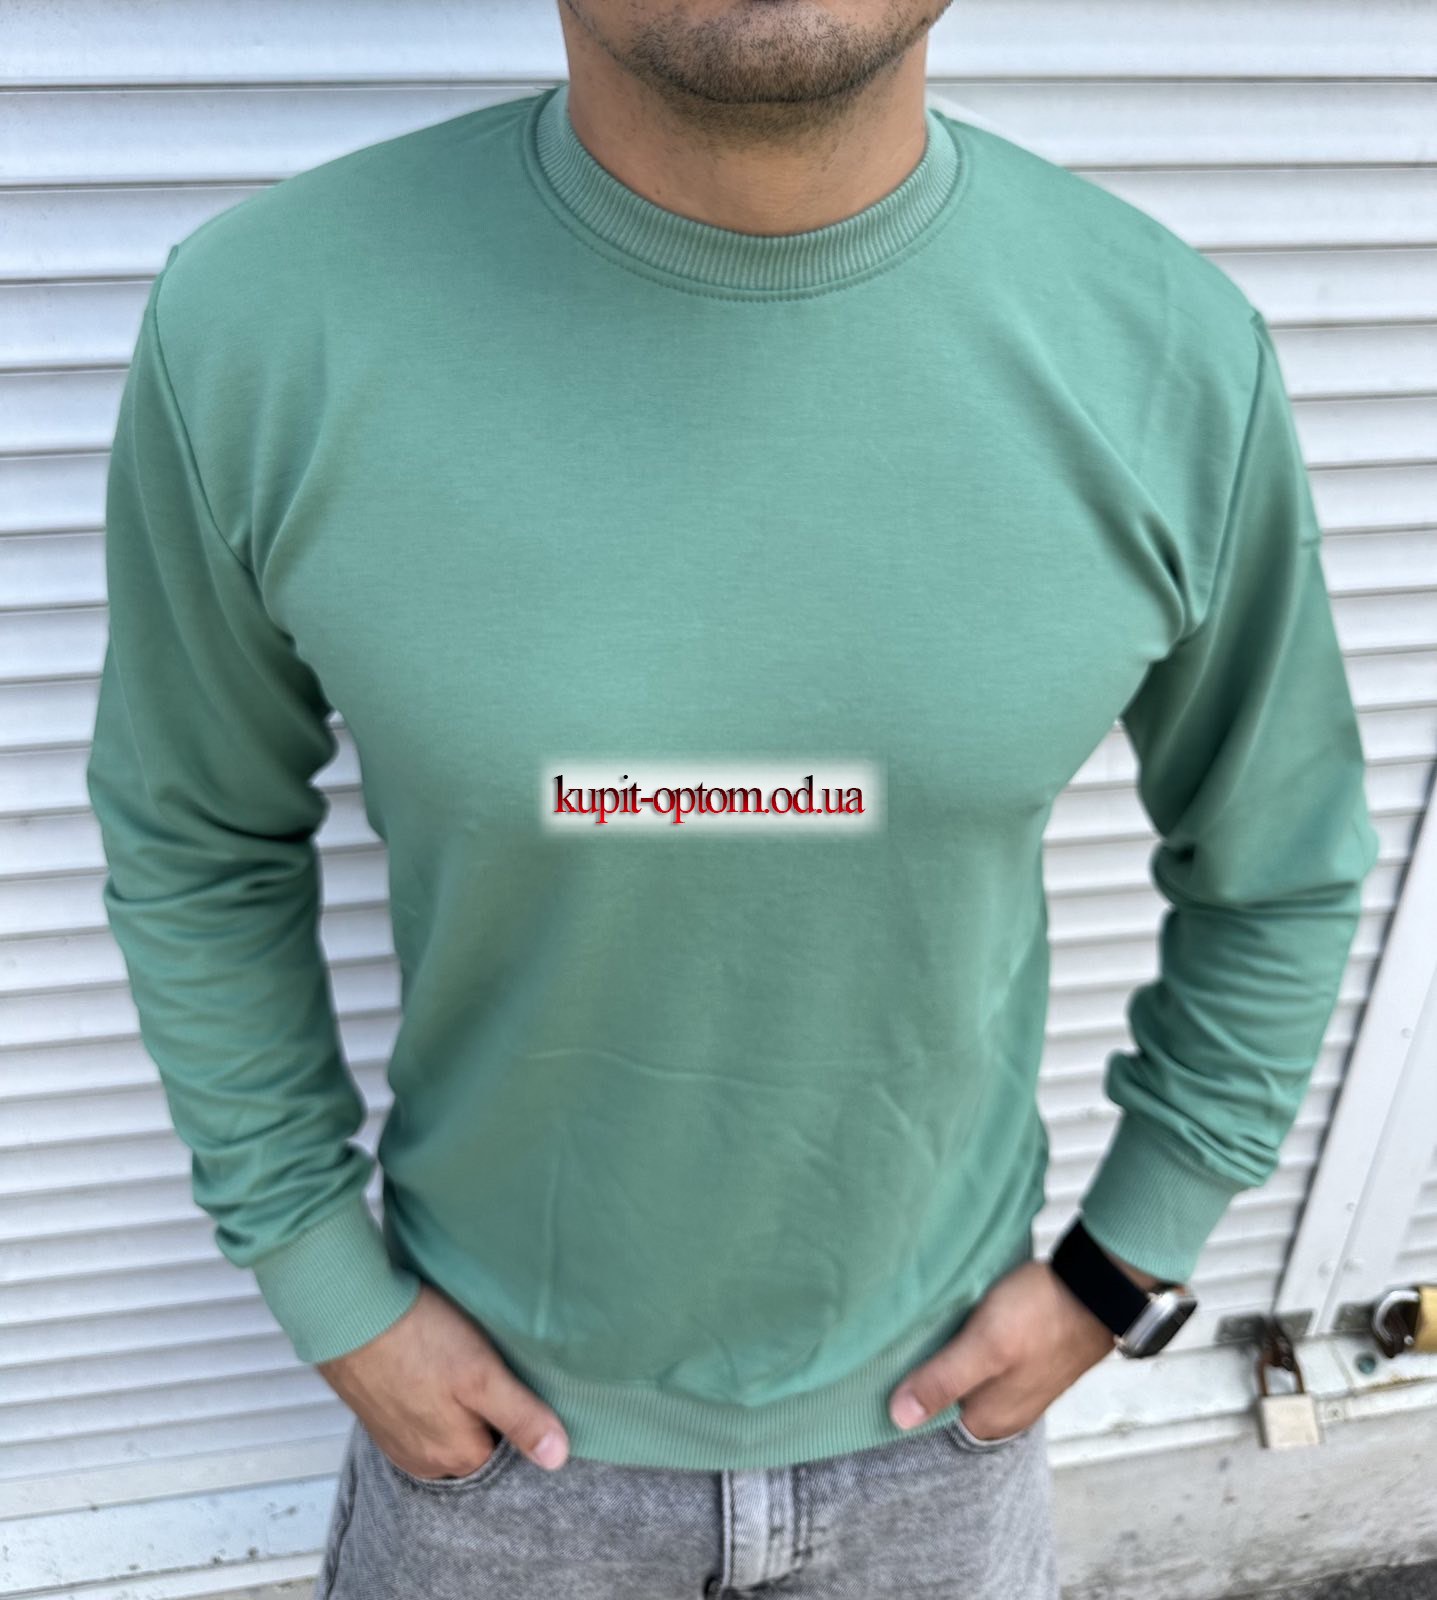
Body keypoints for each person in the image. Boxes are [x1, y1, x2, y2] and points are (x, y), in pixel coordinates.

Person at [85, 3, 1379, 1596]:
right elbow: (196, 835)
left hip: (939, 1447)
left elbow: (1277, 861)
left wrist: (1123, 1267)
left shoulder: (1167, 355)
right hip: (490, 1465)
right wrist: (321, 1285)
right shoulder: (267, 325)